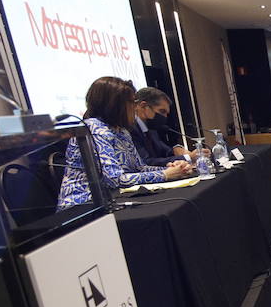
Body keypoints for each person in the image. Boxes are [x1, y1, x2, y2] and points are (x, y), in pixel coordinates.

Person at [57, 76, 194, 208]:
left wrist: (172, 169)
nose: (135, 108)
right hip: (84, 206)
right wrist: (165, 175)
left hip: (113, 200)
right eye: (131, 102)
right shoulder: (94, 129)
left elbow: (140, 168)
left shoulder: (122, 131)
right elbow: (114, 180)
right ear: (114, 105)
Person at [131, 87, 190, 165]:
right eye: (162, 111)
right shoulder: (130, 129)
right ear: (143, 106)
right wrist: (188, 157)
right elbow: (146, 162)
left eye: (166, 113)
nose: (165, 117)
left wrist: (177, 148)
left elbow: (165, 151)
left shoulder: (151, 128)